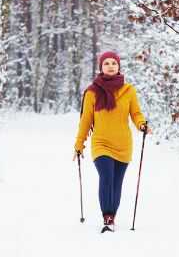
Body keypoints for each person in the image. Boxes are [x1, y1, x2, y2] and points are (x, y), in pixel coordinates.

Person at [73, 50, 151, 233]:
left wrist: (141, 125)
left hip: (123, 145)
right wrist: (79, 144)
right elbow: (86, 120)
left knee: (116, 183)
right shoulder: (92, 92)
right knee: (106, 177)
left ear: (118, 67)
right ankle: (106, 217)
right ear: (101, 67)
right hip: (101, 144)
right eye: (106, 63)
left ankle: (112, 217)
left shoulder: (128, 90)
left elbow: (136, 114)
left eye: (114, 63)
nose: (110, 66)